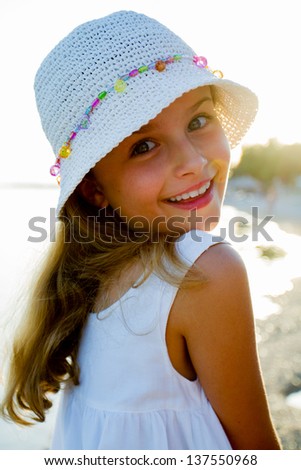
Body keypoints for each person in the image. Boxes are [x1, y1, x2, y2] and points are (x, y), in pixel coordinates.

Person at [1, 10, 281, 450]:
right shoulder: (207, 272)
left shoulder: (91, 278)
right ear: (94, 189)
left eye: (198, 121)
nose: (192, 161)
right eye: (143, 146)